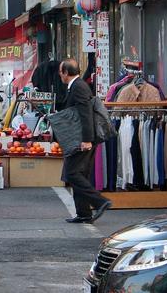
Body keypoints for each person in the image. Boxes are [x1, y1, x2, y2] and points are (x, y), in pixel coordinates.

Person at [59, 58, 111, 224]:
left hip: (83, 138)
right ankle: (84, 213)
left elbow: (85, 113)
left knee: (73, 173)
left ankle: (100, 201)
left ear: (66, 73)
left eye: (61, 71)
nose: (60, 75)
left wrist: (87, 139)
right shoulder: (76, 86)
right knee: (80, 174)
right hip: (80, 137)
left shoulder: (79, 87)